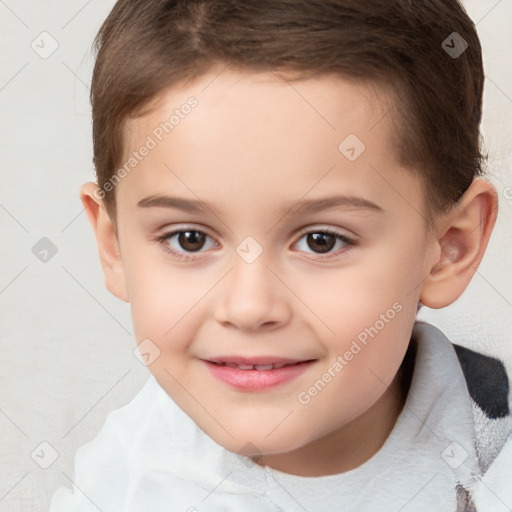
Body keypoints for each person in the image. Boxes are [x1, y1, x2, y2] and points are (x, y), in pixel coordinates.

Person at [49, 0, 511, 510]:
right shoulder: (122, 485)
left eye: (322, 240)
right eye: (190, 239)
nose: (249, 307)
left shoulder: (494, 467)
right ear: (114, 247)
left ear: (450, 248)